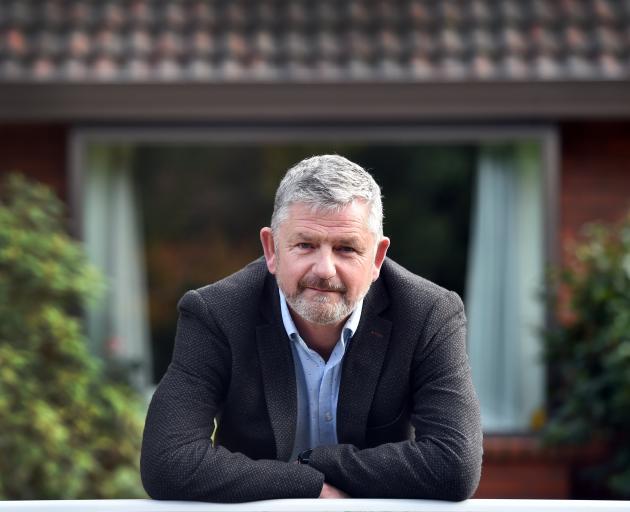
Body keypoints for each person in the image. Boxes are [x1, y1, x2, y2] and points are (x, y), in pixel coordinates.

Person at [140, 155, 482, 503]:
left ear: (377, 259)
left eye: (346, 248)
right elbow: (167, 461)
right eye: (305, 245)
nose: (325, 270)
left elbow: (453, 466)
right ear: (271, 249)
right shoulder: (216, 314)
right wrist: (306, 484)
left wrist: (318, 461)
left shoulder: (428, 314)